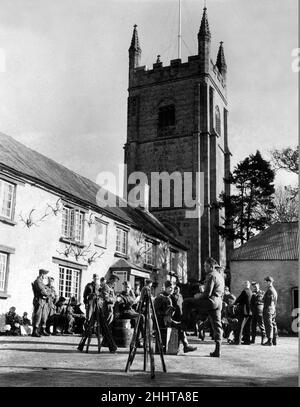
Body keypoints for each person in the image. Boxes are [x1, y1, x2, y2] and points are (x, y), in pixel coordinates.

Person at [182, 257, 225, 357]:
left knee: (187, 302)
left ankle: (183, 324)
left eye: (205, 266)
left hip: (210, 301)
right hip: (218, 302)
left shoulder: (211, 275)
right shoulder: (220, 276)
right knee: (217, 325)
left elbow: (207, 294)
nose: (204, 268)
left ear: (211, 266)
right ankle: (217, 350)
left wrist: (198, 295)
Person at [154, 280, 197, 353]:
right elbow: (156, 311)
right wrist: (165, 314)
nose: (171, 289)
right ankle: (185, 346)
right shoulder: (160, 297)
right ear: (165, 288)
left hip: (169, 319)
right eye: (169, 288)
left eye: (172, 288)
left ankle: (184, 346)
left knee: (181, 325)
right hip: (161, 322)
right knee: (180, 326)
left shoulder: (171, 297)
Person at [231, 281, 252, 345]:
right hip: (249, 312)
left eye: (245, 284)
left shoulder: (244, 291)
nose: (244, 285)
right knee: (247, 327)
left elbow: (238, 299)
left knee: (240, 327)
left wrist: (234, 304)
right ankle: (247, 341)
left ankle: (238, 341)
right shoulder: (251, 292)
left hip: (243, 311)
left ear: (246, 285)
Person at [31, 269, 51, 337]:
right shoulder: (38, 282)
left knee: (44, 316)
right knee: (38, 315)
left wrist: (47, 290)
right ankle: (35, 331)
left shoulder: (41, 282)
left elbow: (48, 289)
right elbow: (42, 291)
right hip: (39, 300)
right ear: (42, 274)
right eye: (45, 275)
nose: (45, 276)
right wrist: (48, 293)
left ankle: (42, 329)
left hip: (43, 300)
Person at [262, 276, 278, 346]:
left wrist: (262, 299)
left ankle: (269, 341)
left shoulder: (270, 290)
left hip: (268, 309)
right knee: (273, 324)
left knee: (268, 325)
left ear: (269, 282)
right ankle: (274, 340)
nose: (265, 283)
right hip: (273, 309)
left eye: (265, 282)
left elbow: (268, 301)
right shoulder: (273, 290)